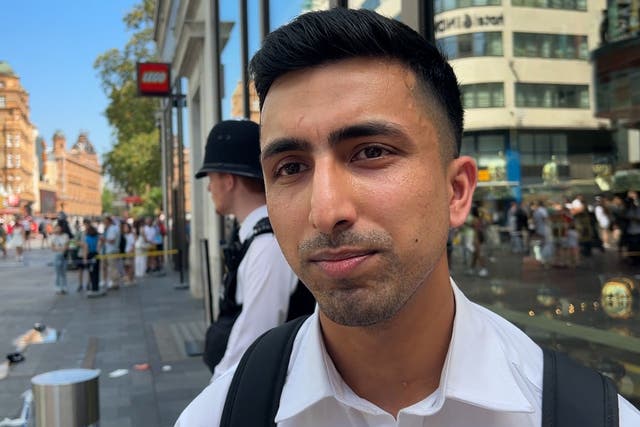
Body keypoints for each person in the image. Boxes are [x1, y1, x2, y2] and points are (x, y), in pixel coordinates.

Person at [175, 8, 639, 426]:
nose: (326, 211)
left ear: (456, 191)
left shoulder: (579, 413)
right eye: (291, 168)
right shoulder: (221, 414)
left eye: (371, 152)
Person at [194, 119, 309, 380]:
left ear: (228, 180)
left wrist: (215, 402)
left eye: (211, 178)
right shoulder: (253, 239)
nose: (210, 188)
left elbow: (250, 345)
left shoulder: (266, 247)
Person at [50, 224, 70, 295]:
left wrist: (59, 248)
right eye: (56, 228)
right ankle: (57, 287)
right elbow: (52, 247)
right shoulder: (53, 237)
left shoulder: (65, 236)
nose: (57, 229)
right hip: (56, 256)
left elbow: (66, 246)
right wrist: (59, 248)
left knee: (63, 272)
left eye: (59, 228)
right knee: (57, 272)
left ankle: (64, 286)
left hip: (64, 256)